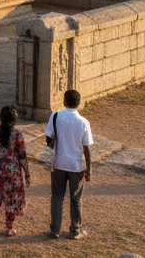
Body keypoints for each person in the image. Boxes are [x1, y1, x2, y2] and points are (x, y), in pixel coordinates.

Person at [46, 89, 93, 240]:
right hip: (76, 166)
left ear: (65, 101)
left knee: (57, 196)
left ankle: (55, 230)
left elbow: (49, 138)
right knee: (76, 198)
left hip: (59, 163)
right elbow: (86, 149)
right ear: (78, 104)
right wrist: (89, 170)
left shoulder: (56, 116)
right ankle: (75, 229)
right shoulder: (84, 122)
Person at [0, 105, 30, 235]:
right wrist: (27, 173)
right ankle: (9, 228)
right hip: (12, 172)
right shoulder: (17, 134)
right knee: (11, 199)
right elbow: (22, 156)